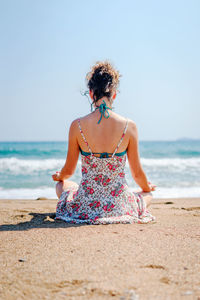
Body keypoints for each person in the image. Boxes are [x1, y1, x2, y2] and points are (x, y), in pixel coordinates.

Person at [52, 61, 156, 225]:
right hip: (119, 206)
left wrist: (59, 176)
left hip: (86, 205)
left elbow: (69, 170)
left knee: (62, 185)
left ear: (91, 93)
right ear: (113, 94)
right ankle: (140, 197)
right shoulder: (129, 126)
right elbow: (137, 173)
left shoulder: (77, 125)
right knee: (147, 195)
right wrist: (147, 188)